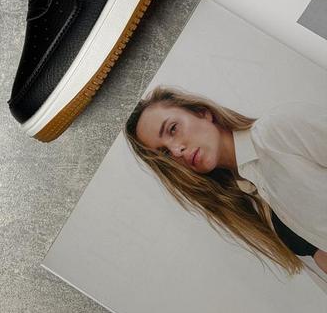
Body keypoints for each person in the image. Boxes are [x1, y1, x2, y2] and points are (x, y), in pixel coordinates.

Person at [124, 86, 327, 278]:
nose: (177, 150)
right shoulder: (248, 198)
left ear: (202, 112)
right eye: (166, 153)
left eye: (173, 129)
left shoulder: (279, 129)